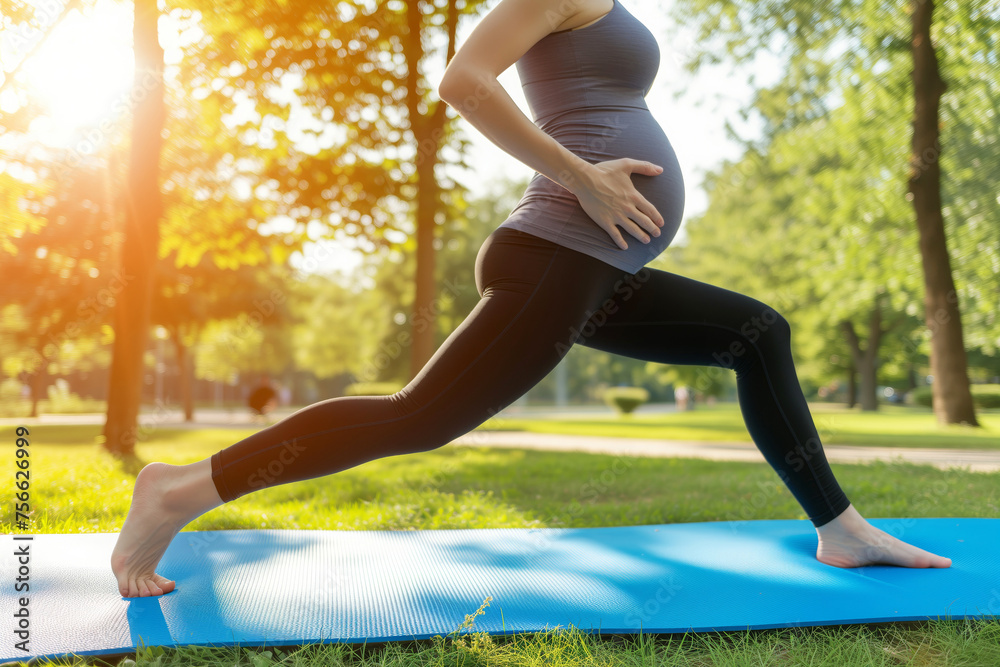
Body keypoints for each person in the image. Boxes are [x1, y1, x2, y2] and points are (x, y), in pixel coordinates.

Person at [111, 0, 950, 598]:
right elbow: (463, 81)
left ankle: (838, 526)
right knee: (417, 417)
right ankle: (180, 489)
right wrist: (583, 177)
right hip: (555, 251)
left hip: (595, 269)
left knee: (757, 332)